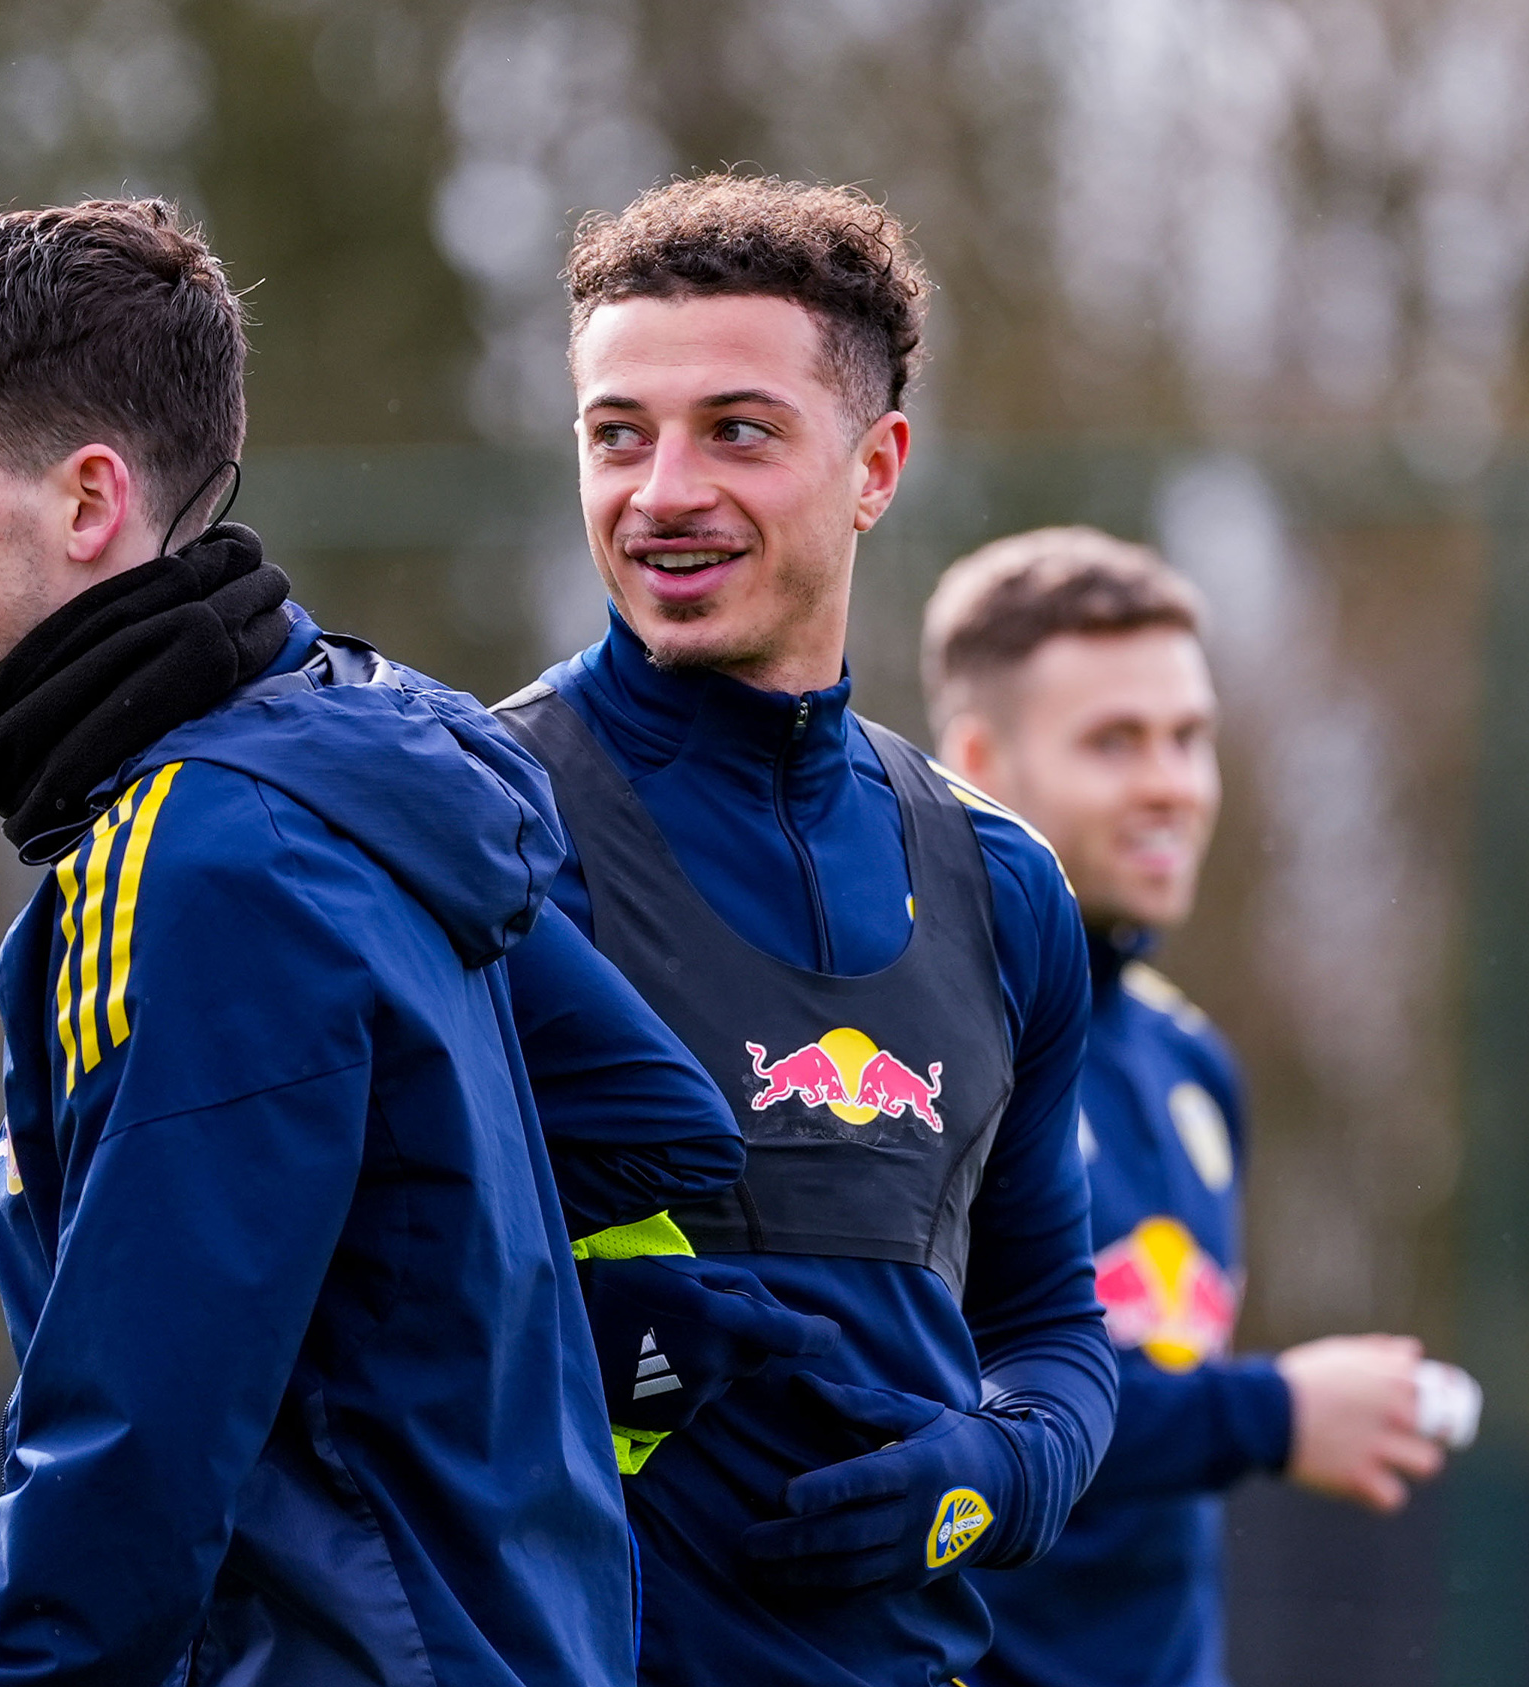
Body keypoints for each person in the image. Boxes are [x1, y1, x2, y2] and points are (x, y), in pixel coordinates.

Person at [0, 197, 765, 1687]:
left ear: (87, 499)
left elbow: (124, 1486)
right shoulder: (349, 758)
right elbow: (657, 1127)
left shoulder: (201, 856)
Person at [490, 175, 1116, 1687]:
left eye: (739, 430)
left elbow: (1054, 1329)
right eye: (617, 431)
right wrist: (590, 1332)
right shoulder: (476, 824)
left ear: (875, 464)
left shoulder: (1002, 881)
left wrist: (987, 1476)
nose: (663, 492)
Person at [920, 527, 1448, 1687]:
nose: (1171, 783)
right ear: (980, 762)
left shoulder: (1194, 1063)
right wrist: (1267, 1413)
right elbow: (938, 1414)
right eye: (1116, 742)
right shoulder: (925, 1051)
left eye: (1188, 738)